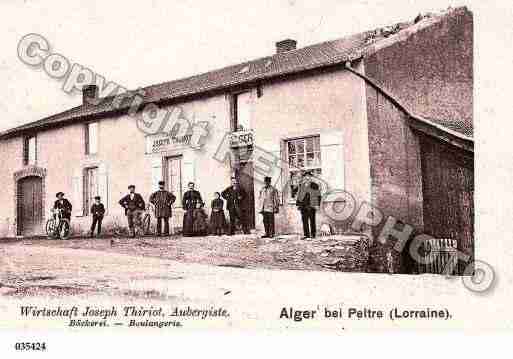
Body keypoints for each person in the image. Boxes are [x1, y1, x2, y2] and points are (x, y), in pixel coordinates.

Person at [296, 171, 321, 239]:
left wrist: (317, 205)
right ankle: (306, 234)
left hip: (311, 205)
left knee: (312, 220)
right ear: (304, 177)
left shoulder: (315, 185)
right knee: (304, 220)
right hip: (303, 206)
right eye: (306, 176)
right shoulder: (302, 185)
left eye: (309, 176)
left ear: (311, 177)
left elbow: (318, 195)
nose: (307, 178)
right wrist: (298, 204)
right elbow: (299, 195)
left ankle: (313, 234)